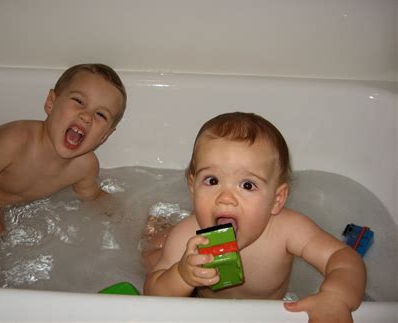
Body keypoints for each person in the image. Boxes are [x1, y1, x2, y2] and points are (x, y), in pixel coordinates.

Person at [144, 112, 366, 323]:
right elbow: (152, 293)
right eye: (212, 180)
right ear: (192, 187)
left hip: (266, 314)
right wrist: (182, 276)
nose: (225, 198)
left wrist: (336, 296)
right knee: (154, 258)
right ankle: (155, 241)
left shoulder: (288, 229)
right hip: (207, 312)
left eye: (247, 185)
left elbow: (343, 257)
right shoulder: (186, 235)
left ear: (277, 199)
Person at [0, 63, 127, 285]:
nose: (87, 116)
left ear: (105, 136)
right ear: (51, 102)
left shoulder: (84, 167)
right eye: (78, 101)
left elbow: (95, 198)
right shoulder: (16, 141)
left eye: (100, 114)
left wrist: (133, 221)